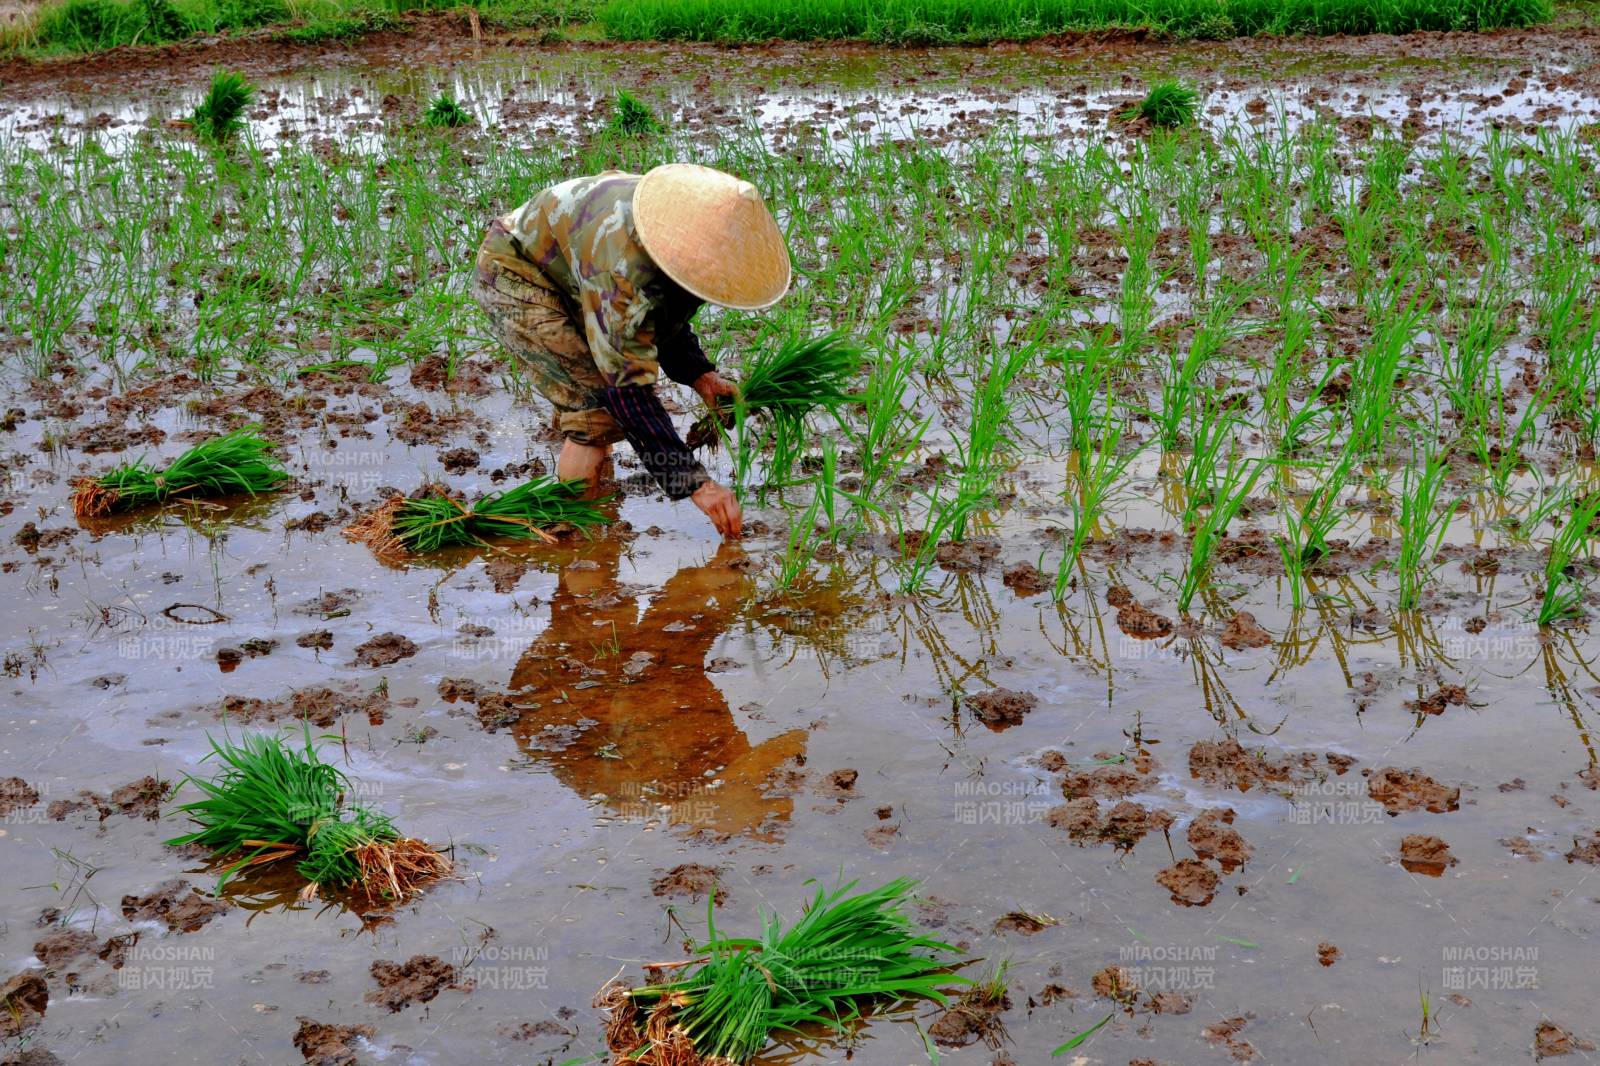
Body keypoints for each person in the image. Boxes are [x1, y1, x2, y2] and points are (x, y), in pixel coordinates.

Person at [472, 164, 792, 539]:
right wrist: (695, 483)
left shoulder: (673, 233)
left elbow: (660, 314)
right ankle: (574, 541)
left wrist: (700, 374)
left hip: (574, 266)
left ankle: (596, 511)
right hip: (518, 270)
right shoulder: (625, 272)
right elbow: (627, 391)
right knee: (594, 411)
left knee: (601, 407)